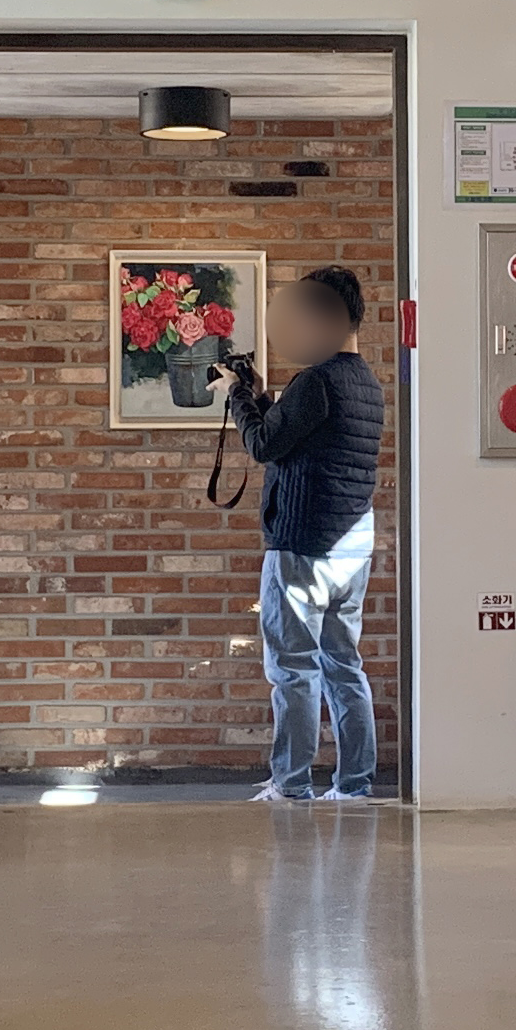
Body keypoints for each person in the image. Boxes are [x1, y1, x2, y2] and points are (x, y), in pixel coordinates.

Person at [225, 264, 385, 804]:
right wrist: (263, 401)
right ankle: (354, 784)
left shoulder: (316, 381)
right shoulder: (365, 383)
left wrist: (236, 395)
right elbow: (300, 440)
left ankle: (291, 784)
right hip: (350, 545)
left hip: (302, 544)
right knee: (343, 664)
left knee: (292, 668)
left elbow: (264, 445)